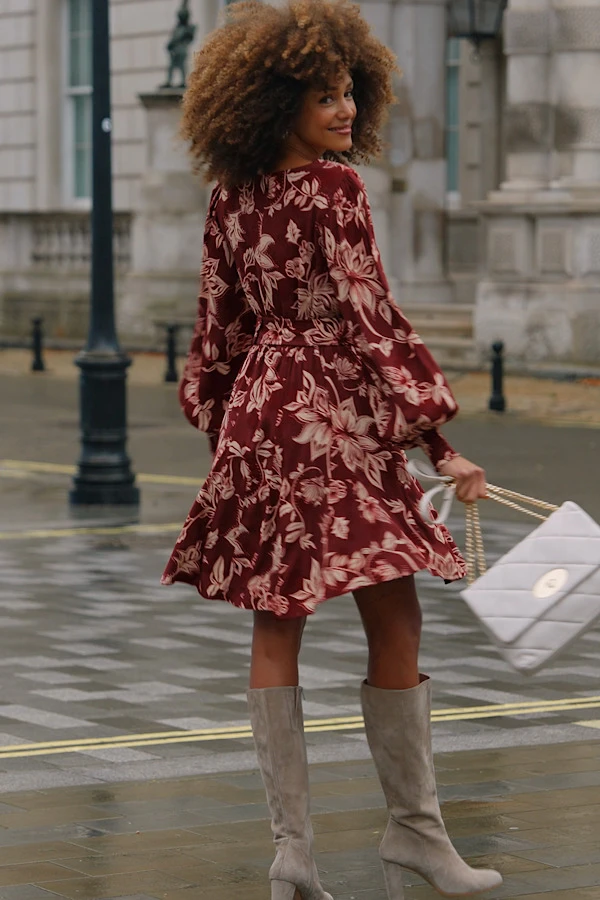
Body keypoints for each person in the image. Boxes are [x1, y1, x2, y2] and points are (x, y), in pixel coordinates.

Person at [161, 2, 502, 898]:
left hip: (261, 415)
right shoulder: (336, 189)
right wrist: (440, 442)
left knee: (280, 615)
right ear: (278, 105)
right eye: (325, 96)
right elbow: (372, 320)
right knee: (393, 612)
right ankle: (417, 837)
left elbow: (218, 328)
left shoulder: (230, 198)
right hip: (334, 415)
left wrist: (229, 423)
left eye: (349, 92)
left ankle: (294, 858)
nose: (345, 110)